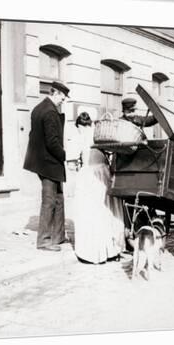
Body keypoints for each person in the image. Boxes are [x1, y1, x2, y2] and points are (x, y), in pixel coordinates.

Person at [73, 112, 126, 263]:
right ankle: (113, 250)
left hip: (90, 175)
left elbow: (72, 160)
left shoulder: (82, 137)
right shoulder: (101, 134)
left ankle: (95, 252)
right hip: (104, 172)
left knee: (90, 211)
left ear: (81, 126)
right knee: (108, 209)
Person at [23, 81, 69, 252]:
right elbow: (52, 142)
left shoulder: (38, 108)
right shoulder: (50, 112)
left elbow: (33, 135)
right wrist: (66, 156)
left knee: (59, 198)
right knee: (49, 200)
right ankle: (43, 240)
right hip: (49, 162)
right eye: (62, 98)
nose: (62, 102)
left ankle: (58, 236)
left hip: (44, 161)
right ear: (55, 93)